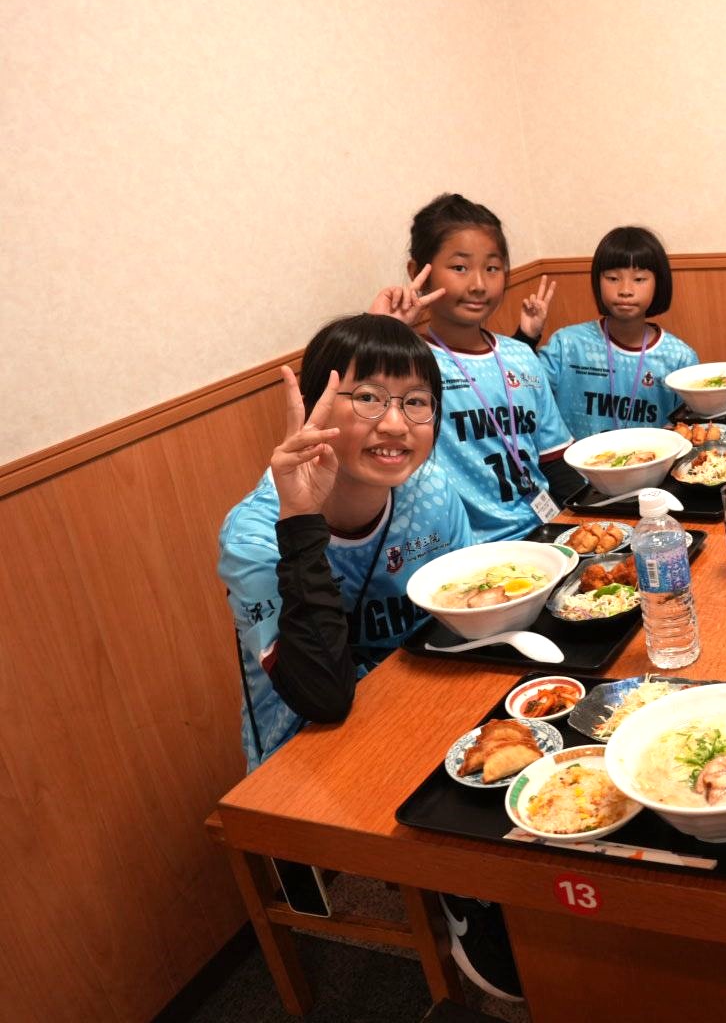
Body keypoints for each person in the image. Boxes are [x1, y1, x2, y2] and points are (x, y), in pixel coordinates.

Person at [219, 314, 469, 771]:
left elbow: (468, 616)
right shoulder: (255, 536)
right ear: (313, 408)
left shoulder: (431, 489)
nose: (395, 424)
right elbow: (323, 698)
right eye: (369, 397)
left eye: (415, 401)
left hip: (423, 717)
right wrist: (300, 523)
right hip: (305, 755)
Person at [372, 193, 573, 542]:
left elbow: (553, 459)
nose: (479, 285)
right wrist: (382, 335)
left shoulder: (521, 356)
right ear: (418, 272)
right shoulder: (407, 366)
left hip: (545, 532)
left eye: (492, 268)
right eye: (460, 268)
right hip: (461, 550)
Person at [517, 225, 698, 438]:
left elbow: (690, 430)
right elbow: (520, 393)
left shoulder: (679, 358)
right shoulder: (567, 345)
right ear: (598, 281)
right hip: (574, 460)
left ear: (658, 284)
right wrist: (526, 337)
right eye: (613, 278)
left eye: (639, 279)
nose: (625, 290)